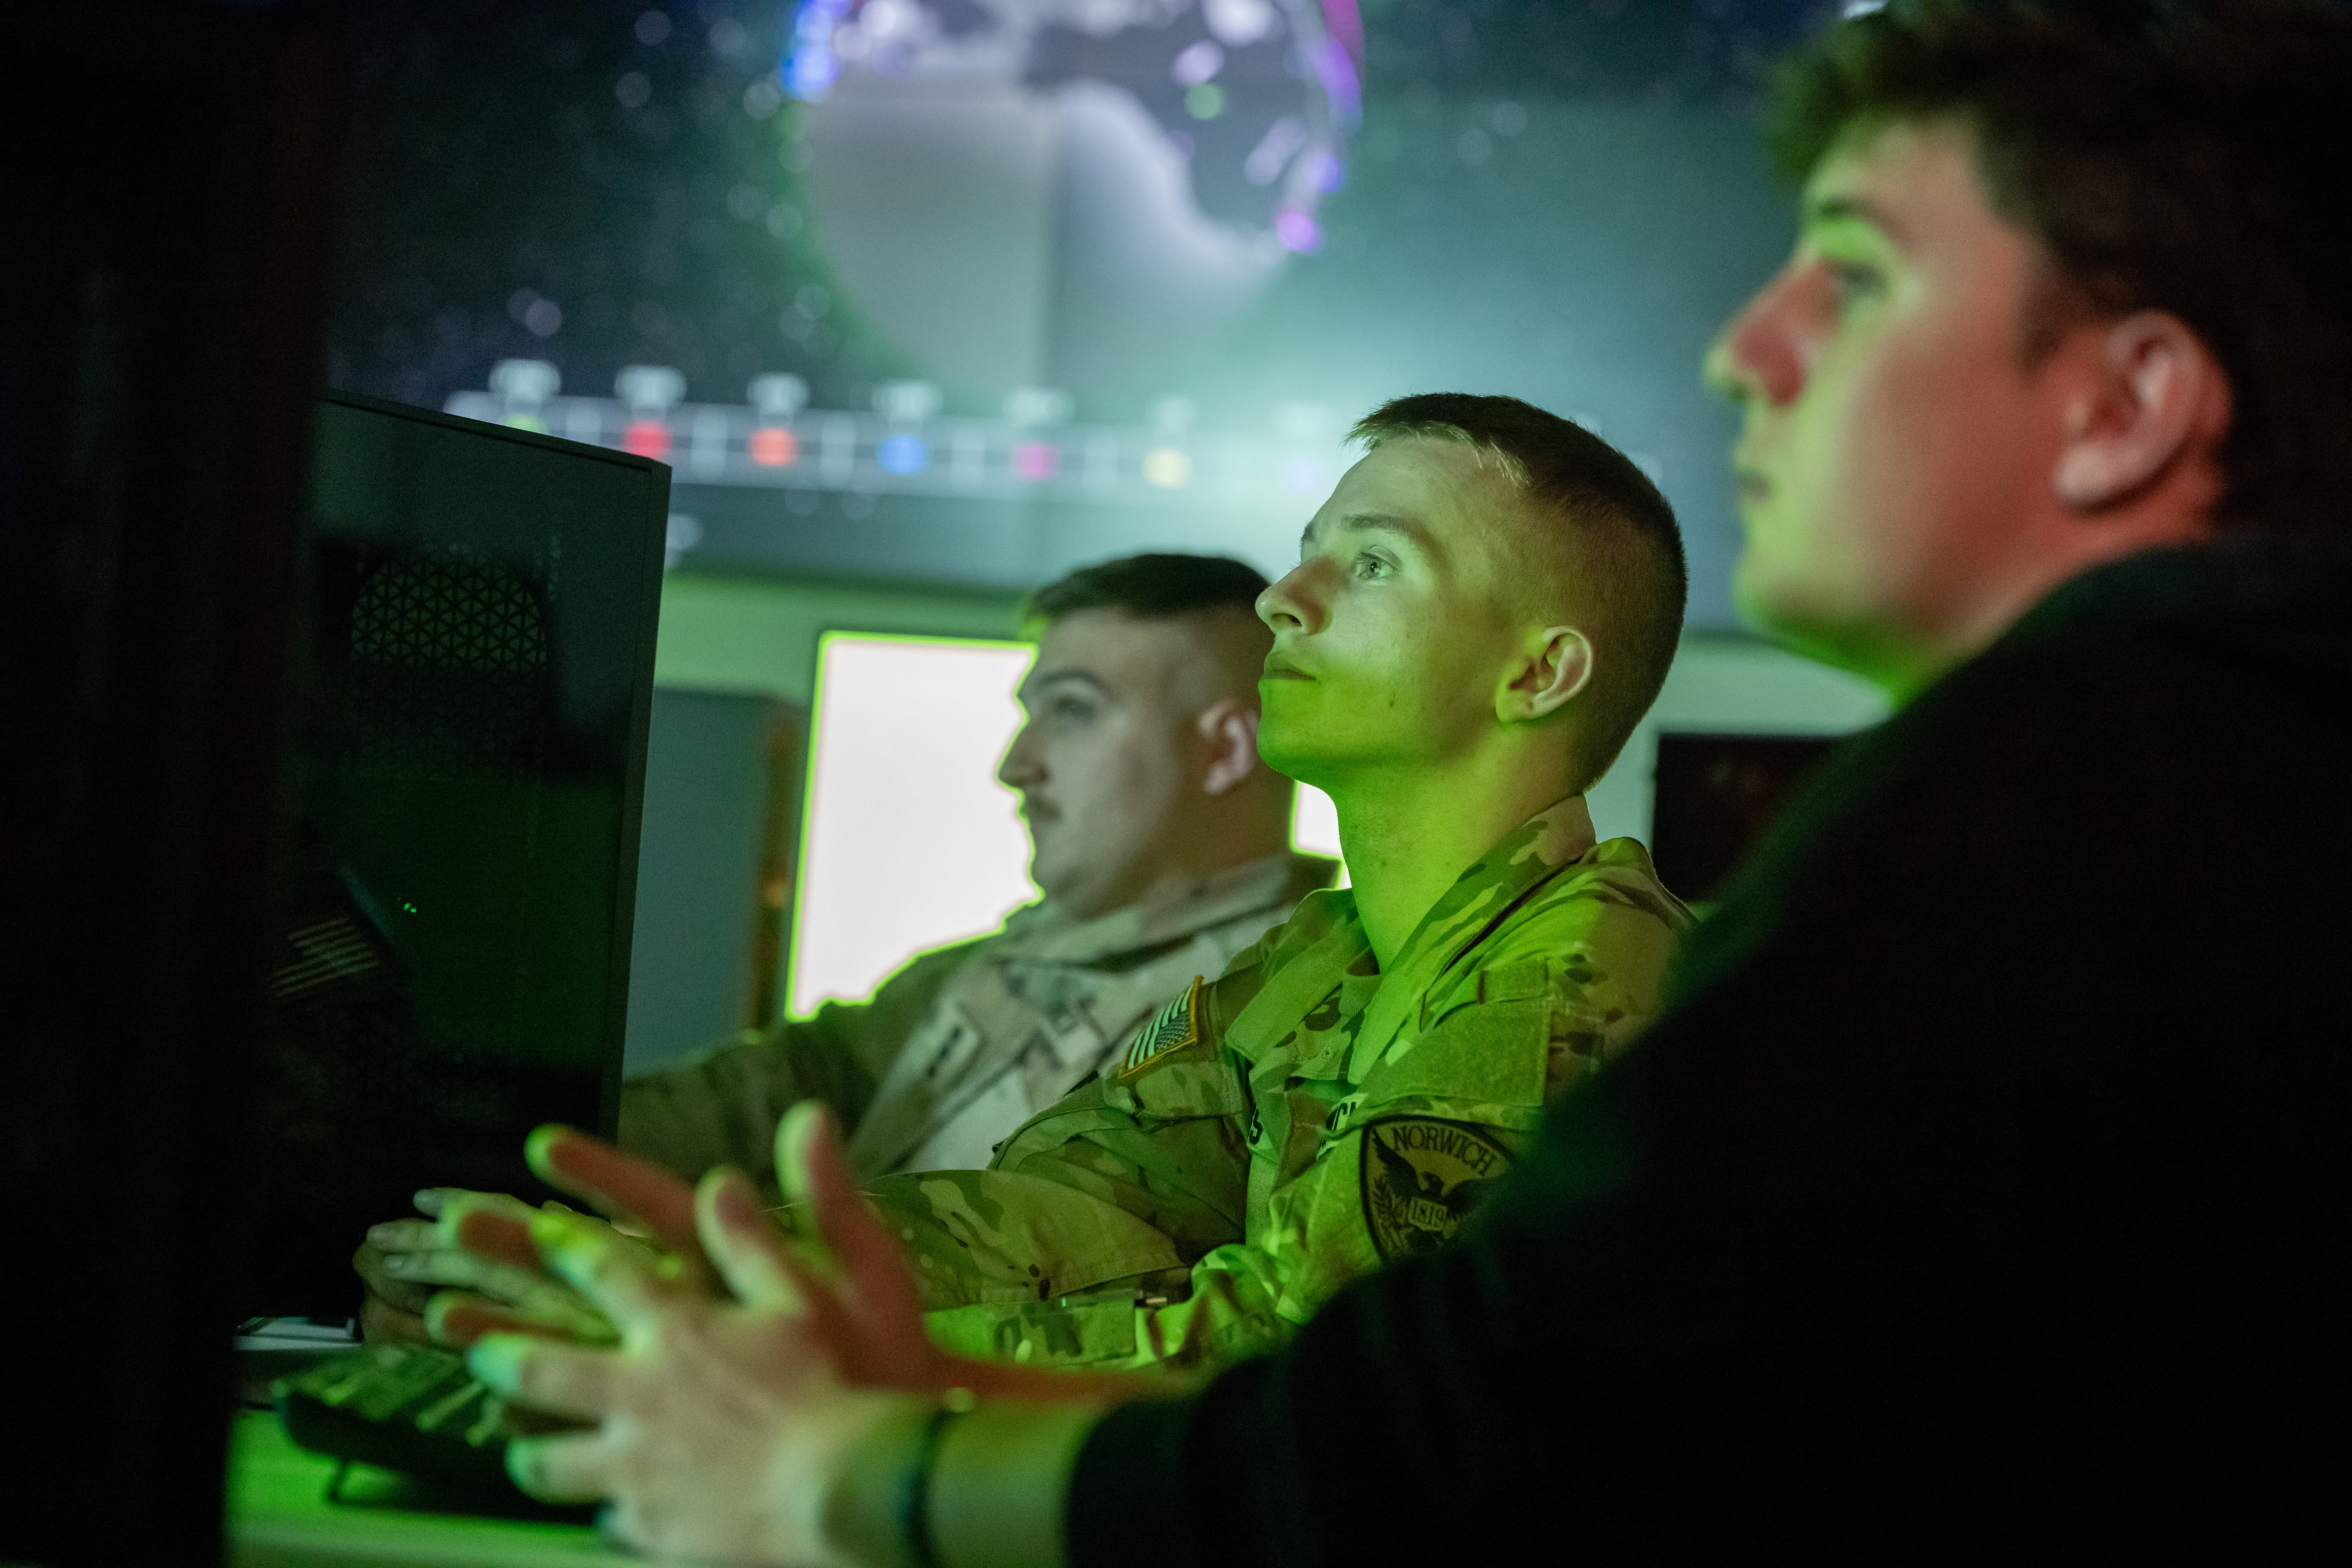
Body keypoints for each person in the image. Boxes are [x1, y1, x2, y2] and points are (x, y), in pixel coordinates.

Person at [451, 1, 2350, 1558]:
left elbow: (1424, 1447)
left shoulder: (2033, 816)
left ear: (2124, 406)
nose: (1743, 348)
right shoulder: (2163, 799)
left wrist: (851, 1469)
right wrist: (711, 1296)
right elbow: (1116, 1228)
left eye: (1847, 279)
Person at [427, 394, 1695, 1378]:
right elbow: (1078, 1205)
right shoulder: (1324, 952)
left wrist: (764, 1332)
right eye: (1309, 553)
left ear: (1539, 674)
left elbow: (1293, 1358)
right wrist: (664, 1276)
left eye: (1373, 566)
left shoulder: (1569, 979)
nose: (1281, 600)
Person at [353, 552, 1334, 1343]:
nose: (1016, 764)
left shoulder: (1294, 999)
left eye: (1071, 710)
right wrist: (480, 1166)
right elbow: (764, 1097)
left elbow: (1071, 1240)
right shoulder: (982, 974)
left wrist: (627, 1278)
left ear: (1225, 750)